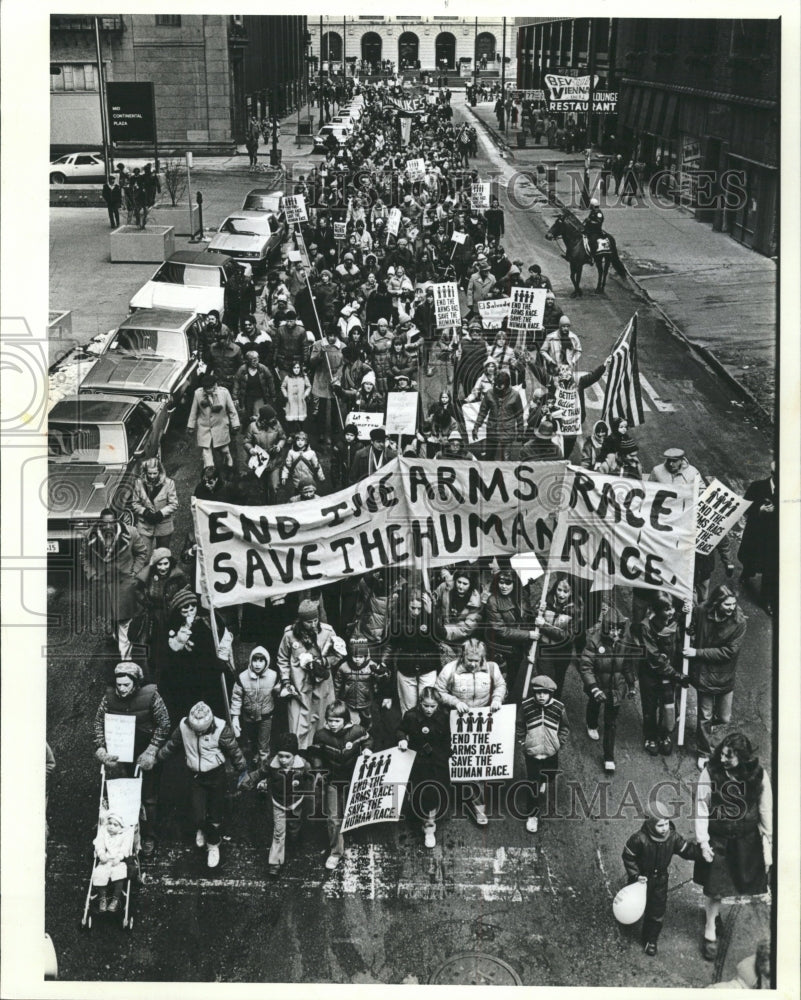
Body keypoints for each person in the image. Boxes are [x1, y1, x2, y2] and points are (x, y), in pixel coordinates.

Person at [694, 733, 772, 961]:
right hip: (718, 839)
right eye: (723, 753)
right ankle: (710, 929)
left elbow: (765, 809)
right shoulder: (710, 773)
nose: (724, 758)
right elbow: (701, 806)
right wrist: (703, 841)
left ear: (743, 756)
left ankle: (713, 916)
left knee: (739, 883)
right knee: (714, 887)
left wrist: (769, 842)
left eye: (731, 755)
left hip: (746, 841)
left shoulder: (759, 775)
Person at [156, 701, 252, 869]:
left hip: (216, 776)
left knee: (215, 815)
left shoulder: (221, 729)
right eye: (196, 730)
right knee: (197, 811)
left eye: (202, 731)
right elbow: (172, 744)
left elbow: (234, 751)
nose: (198, 733)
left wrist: (243, 771)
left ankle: (213, 845)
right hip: (195, 776)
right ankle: (200, 827)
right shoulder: (184, 727)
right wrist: (157, 757)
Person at [93, 660, 171, 856]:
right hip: (120, 752)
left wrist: (152, 750)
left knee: (149, 797)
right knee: (120, 793)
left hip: (144, 753)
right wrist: (101, 748)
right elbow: (98, 722)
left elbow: (164, 723)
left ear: (135, 683)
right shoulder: (109, 698)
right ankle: (121, 833)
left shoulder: (151, 696)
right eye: (119, 685)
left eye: (126, 685)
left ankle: (149, 836)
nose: (122, 689)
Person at [435, 639, 506, 826]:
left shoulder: (492, 668)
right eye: (470, 659)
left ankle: (477, 805)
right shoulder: (449, 670)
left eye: (477, 660)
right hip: (455, 722)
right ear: (462, 655)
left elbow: (500, 685)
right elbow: (438, 691)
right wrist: (454, 702)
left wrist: (497, 698)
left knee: (476, 764)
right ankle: (446, 794)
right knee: (453, 761)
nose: (473, 664)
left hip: (481, 725)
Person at [622, 807, 705, 956]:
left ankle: (651, 939)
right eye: (660, 825)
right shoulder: (639, 838)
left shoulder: (672, 837)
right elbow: (628, 856)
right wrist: (635, 875)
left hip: (660, 880)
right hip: (641, 880)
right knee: (635, 904)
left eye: (667, 823)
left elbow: (686, 850)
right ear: (650, 824)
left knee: (657, 910)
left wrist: (702, 852)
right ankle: (628, 915)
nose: (664, 828)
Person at [685, 584, 748, 770]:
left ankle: (702, 728)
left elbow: (729, 652)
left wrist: (697, 653)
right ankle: (704, 750)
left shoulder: (739, 622)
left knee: (724, 717)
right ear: (717, 602)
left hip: (724, 675)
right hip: (705, 673)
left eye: (734, 604)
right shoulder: (702, 610)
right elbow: (690, 628)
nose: (732, 608)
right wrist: (686, 614)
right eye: (728, 604)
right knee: (704, 715)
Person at [309, 700, 373, 870]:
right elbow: (315, 754)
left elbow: (368, 740)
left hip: (354, 780)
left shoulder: (358, 731)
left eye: (336, 721)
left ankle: (353, 833)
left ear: (345, 720)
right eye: (330, 720)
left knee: (353, 811)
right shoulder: (321, 735)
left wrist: (367, 749)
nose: (333, 724)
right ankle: (336, 852)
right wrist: (318, 771)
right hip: (332, 781)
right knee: (333, 818)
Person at [276, 599, 344, 750]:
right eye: (308, 622)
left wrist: (324, 663)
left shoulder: (327, 631)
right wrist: (286, 682)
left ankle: (322, 751)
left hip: (322, 686)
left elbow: (338, 653)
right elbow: (282, 658)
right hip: (299, 687)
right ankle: (301, 755)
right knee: (298, 723)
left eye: (315, 620)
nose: (313, 625)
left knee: (323, 721)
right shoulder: (290, 634)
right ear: (301, 620)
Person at [82, 509, 149, 661]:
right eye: (104, 523)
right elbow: (84, 558)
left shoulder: (131, 533)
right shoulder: (88, 535)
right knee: (111, 619)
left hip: (124, 585)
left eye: (111, 522)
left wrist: (134, 572)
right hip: (103, 586)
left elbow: (142, 553)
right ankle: (116, 639)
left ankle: (126, 662)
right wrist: (92, 575)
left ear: (117, 521)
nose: (108, 526)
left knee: (124, 624)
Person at [579, 604, 638, 773]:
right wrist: (594, 687)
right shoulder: (593, 641)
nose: (615, 634)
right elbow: (586, 667)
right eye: (612, 629)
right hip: (598, 684)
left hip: (616, 688)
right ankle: (591, 723)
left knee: (611, 722)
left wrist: (631, 684)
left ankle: (609, 757)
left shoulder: (624, 642)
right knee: (594, 704)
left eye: (619, 630)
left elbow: (627, 665)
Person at [160, 587, 233, 724]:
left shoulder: (208, 618)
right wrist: (185, 630)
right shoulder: (174, 626)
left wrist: (222, 657)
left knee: (216, 699)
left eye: (192, 607)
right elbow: (173, 649)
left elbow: (225, 637)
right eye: (185, 609)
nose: (189, 611)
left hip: (211, 666)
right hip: (188, 672)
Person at [633, 592, 693, 757]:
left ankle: (664, 734)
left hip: (669, 674)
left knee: (667, 706)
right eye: (666, 609)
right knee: (650, 707)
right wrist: (677, 675)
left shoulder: (676, 621)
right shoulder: (646, 627)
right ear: (656, 610)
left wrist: (689, 614)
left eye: (672, 608)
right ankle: (651, 737)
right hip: (651, 674)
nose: (671, 612)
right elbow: (655, 658)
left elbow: (685, 636)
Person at [397, 686, 452, 848]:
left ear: (438, 705)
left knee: (434, 794)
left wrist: (446, 756)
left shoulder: (444, 716)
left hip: (437, 761)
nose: (429, 710)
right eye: (426, 705)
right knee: (418, 792)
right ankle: (419, 813)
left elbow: (447, 738)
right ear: (420, 702)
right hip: (417, 762)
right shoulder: (411, 716)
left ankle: (430, 827)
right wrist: (402, 739)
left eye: (432, 706)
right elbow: (400, 729)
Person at [256, 731, 311, 878]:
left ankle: (294, 840)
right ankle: (275, 863)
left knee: (294, 828)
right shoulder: (271, 765)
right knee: (279, 832)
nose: (283, 760)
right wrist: (250, 781)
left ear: (295, 756)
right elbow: (260, 773)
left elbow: (313, 775)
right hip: (278, 802)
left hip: (295, 802)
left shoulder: (303, 765)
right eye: (280, 756)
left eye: (288, 757)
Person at [520, 675, 569, 834]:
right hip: (532, 753)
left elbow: (564, 727)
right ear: (534, 692)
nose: (541, 696)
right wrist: (523, 742)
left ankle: (543, 780)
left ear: (551, 694)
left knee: (550, 775)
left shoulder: (559, 708)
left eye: (545, 693)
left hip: (550, 752)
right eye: (538, 692)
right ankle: (532, 815)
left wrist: (559, 742)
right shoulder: (526, 706)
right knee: (532, 784)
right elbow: (520, 725)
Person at [387, 589, 441, 714]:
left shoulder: (431, 615)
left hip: (428, 667)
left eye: (419, 608)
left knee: (428, 705)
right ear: (407, 605)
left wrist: (431, 614)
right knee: (408, 708)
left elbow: (440, 636)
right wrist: (384, 663)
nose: (416, 612)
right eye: (413, 608)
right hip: (406, 668)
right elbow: (391, 644)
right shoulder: (398, 620)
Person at [533, 575, 583, 700]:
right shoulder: (545, 601)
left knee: (558, 683)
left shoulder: (576, 610)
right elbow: (532, 620)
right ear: (555, 589)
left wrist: (544, 625)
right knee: (545, 682)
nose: (561, 594)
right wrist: (537, 610)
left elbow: (568, 637)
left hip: (562, 652)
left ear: (571, 592)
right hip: (545, 649)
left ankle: (554, 708)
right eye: (559, 590)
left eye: (566, 591)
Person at [230, 646, 279, 770]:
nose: (257, 664)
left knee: (263, 746)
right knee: (251, 741)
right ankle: (254, 761)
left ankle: (263, 773)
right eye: (255, 660)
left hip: (265, 716)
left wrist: (284, 690)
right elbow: (236, 697)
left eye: (261, 661)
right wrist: (235, 717)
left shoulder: (273, 676)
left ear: (266, 662)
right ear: (250, 661)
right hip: (248, 716)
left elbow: (280, 691)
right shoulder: (242, 677)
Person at [738, 462, 777, 615]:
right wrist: (759, 509)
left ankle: (766, 600)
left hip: (774, 538)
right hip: (756, 534)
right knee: (751, 558)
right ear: (773, 474)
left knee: (771, 569)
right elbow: (745, 508)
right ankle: (747, 573)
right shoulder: (757, 486)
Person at [187, 374, 240, 477]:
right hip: (204, 427)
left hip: (220, 425)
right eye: (206, 388)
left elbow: (232, 410)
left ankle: (229, 461)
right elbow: (193, 411)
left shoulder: (224, 393)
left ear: (215, 385)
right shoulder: (198, 394)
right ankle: (209, 472)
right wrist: (191, 426)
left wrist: (235, 423)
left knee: (224, 449)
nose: (209, 390)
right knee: (206, 451)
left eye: (211, 387)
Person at [335, 635, 391, 732]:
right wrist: (336, 698)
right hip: (350, 702)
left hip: (366, 702)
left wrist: (382, 674)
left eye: (360, 657)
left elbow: (381, 682)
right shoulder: (343, 667)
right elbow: (337, 683)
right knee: (352, 726)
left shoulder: (372, 666)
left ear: (365, 656)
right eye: (354, 656)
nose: (357, 659)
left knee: (368, 724)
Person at [131, 458, 178, 560]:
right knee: (144, 556)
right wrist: (145, 512)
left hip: (163, 525)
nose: (152, 476)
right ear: (145, 472)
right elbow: (135, 503)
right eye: (149, 473)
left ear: (160, 472)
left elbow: (174, 504)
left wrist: (160, 513)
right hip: (145, 525)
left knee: (163, 556)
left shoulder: (169, 483)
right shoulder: (138, 483)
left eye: (155, 473)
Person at [433, 568, 482, 666]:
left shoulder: (475, 602)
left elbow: (467, 628)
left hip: (460, 641)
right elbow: (435, 601)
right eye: (459, 582)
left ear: (471, 585)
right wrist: (432, 599)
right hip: (440, 635)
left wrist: (445, 631)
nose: (460, 586)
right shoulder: (445, 587)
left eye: (465, 584)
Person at [472, 370, 524, 460]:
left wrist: (520, 431)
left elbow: (519, 414)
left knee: (506, 458)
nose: (497, 387)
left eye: (500, 385)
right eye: (496, 384)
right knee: (489, 457)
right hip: (492, 431)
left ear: (506, 385)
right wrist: (476, 427)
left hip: (507, 431)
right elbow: (482, 412)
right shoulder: (489, 393)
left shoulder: (515, 395)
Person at [91, 812, 135, 913]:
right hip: (105, 860)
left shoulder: (124, 835)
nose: (111, 827)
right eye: (109, 823)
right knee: (99, 874)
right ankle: (103, 898)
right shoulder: (104, 833)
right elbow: (100, 845)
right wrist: (101, 854)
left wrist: (119, 857)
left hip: (118, 861)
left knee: (119, 875)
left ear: (121, 827)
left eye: (115, 825)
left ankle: (115, 899)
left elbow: (125, 848)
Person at [232, 350, 276, 425]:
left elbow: (270, 380)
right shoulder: (242, 369)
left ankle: (259, 430)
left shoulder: (263, 368)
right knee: (247, 415)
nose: (255, 362)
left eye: (257, 360)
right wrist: (235, 397)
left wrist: (273, 394)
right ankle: (247, 432)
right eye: (253, 361)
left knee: (258, 415)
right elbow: (236, 381)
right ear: (248, 361)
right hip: (247, 397)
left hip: (259, 396)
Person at [279, 430, 325, 496]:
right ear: (295, 441)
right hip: (296, 482)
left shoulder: (311, 453)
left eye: (302, 440)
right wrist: (284, 477)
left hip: (309, 481)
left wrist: (321, 477)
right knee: (298, 497)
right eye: (298, 440)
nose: (300, 442)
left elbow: (317, 466)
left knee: (309, 495)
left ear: (306, 442)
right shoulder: (291, 453)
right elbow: (287, 466)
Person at [280, 360, 311, 434]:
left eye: (298, 368)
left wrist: (305, 394)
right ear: (291, 369)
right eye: (294, 368)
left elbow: (309, 386)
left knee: (301, 419)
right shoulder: (287, 378)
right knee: (291, 419)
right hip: (291, 401)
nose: (296, 370)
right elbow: (283, 387)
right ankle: (292, 434)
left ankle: (300, 433)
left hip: (300, 401)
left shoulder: (304, 377)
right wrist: (286, 395)